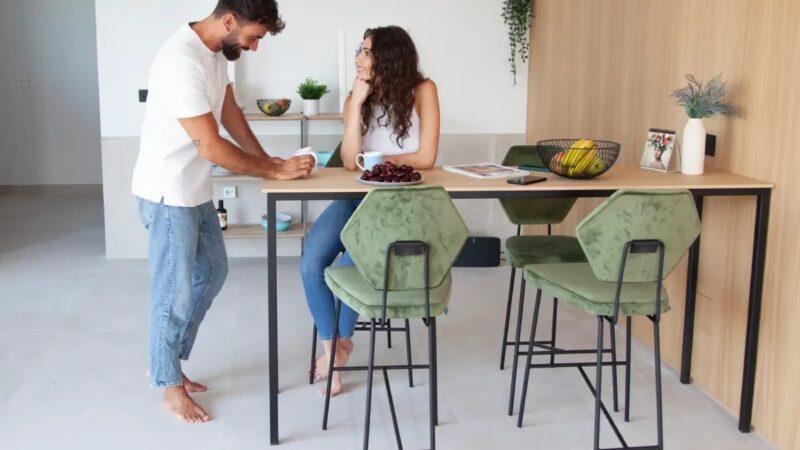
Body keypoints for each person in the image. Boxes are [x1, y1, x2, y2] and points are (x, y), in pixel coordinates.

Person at [132, 0, 314, 423]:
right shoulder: (180, 60)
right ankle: (167, 383)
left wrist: (271, 163)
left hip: (191, 187)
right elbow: (211, 146)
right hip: (166, 191)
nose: (254, 48)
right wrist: (274, 169)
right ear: (229, 21)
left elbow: (230, 113)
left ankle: (166, 361)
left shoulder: (214, 54)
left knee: (213, 272)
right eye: (253, 37)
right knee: (172, 293)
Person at [300, 26, 441, 397]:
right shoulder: (355, 97)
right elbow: (349, 162)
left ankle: (334, 355)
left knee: (350, 267)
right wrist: (357, 103)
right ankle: (337, 347)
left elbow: (426, 157)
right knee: (311, 264)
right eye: (360, 52)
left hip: (399, 205)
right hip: (355, 199)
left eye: (365, 52)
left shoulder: (423, 91)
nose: (359, 60)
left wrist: (378, 165)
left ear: (389, 58)